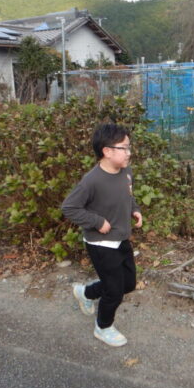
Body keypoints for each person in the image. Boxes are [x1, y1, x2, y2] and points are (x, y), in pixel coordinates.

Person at [61, 123, 143, 347]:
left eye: (129, 147)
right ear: (107, 151)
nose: (129, 152)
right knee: (114, 291)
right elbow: (69, 207)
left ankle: (86, 292)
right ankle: (103, 327)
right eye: (124, 148)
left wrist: (135, 209)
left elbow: (127, 196)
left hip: (121, 237)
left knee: (128, 284)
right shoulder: (92, 181)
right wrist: (97, 222)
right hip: (101, 243)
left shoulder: (126, 172)